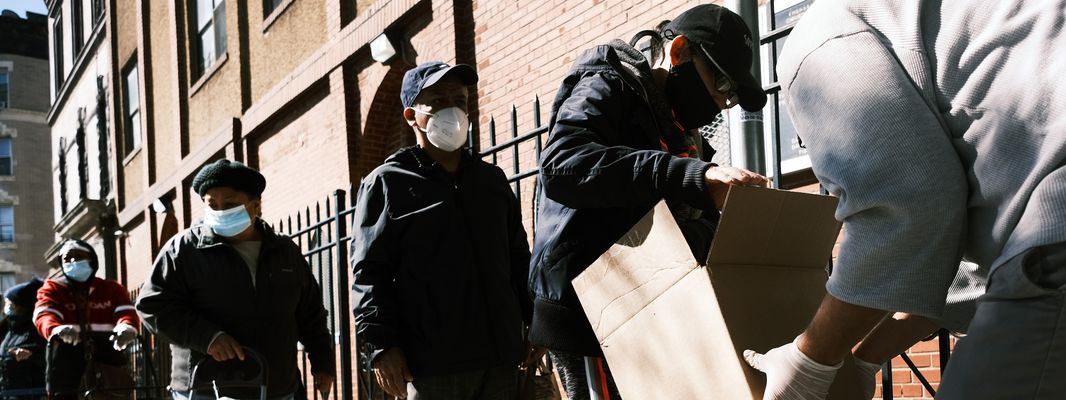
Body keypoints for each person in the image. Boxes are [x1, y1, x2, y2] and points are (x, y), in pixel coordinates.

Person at [744, 1, 1066, 399]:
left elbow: (903, 212)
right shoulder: (963, 23)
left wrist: (809, 361)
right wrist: (864, 357)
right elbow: (954, 264)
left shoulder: (817, 39)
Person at [529, 4, 769, 399]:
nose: (723, 103)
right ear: (678, 52)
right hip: (589, 307)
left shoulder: (683, 130)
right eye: (722, 84)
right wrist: (693, 177)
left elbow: (675, 203)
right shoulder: (607, 83)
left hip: (645, 301)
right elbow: (562, 165)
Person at [351, 61, 533, 400]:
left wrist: (537, 324)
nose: (452, 109)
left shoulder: (490, 181)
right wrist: (381, 346)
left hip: (501, 361)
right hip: (432, 368)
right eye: (436, 101)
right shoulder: (387, 183)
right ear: (411, 116)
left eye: (459, 100)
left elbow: (520, 260)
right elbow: (368, 274)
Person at [136, 159, 335, 400]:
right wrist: (208, 337)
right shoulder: (182, 251)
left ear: (256, 207)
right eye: (212, 205)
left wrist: (322, 361)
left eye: (229, 204)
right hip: (207, 389)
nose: (220, 212)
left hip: (277, 387)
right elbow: (151, 305)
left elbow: (310, 312)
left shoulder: (285, 252)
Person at [34, 240, 139, 400]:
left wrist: (127, 326)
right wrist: (56, 329)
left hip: (107, 355)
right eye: (67, 259)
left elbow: (125, 311)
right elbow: (44, 314)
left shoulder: (111, 288)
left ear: (91, 259)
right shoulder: (53, 288)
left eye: (79, 256)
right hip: (66, 357)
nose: (73, 261)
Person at [1, 277, 47, 399]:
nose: (6, 306)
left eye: (8, 302)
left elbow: (46, 355)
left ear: (18, 305)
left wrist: (30, 355)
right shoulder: (9, 327)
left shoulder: (37, 328)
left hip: (31, 393)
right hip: (9, 393)